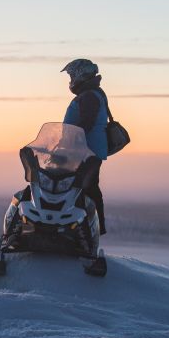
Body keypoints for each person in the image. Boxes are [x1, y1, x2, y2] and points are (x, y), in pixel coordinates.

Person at [60, 58, 108, 235]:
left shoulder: (89, 96)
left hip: (86, 151)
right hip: (85, 150)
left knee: (83, 188)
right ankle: (88, 228)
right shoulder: (91, 93)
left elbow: (85, 123)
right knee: (86, 188)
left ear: (81, 74)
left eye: (72, 75)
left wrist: (71, 143)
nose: (70, 79)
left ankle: (87, 229)